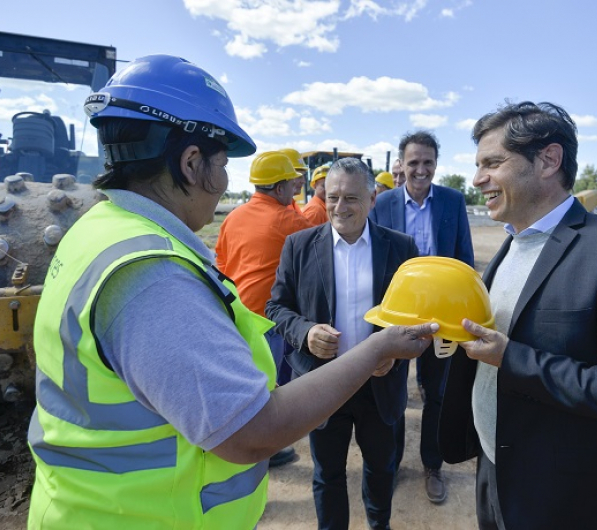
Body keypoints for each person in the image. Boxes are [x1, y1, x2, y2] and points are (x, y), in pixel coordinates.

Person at [26, 54, 437, 530]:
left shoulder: (99, 230)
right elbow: (252, 430)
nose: (223, 184)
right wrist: (375, 348)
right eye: (222, 164)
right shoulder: (151, 274)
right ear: (191, 163)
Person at [438, 101, 597, 529]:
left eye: (492, 163)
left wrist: (511, 357)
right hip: (494, 471)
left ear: (548, 160)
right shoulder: (512, 243)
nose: (478, 179)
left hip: (566, 496)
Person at [266, 158, 419, 530]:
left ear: (371, 198)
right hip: (324, 384)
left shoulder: (401, 248)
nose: (339, 207)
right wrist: (305, 332)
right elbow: (276, 307)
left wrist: (394, 356)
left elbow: (415, 316)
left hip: (379, 383)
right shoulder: (299, 246)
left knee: (381, 467)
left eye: (351, 198)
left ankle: (378, 524)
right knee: (328, 471)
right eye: (332, 197)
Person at [369, 130, 474, 504]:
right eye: (413, 162)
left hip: (441, 319)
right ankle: (393, 462)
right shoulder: (384, 204)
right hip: (398, 316)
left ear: (436, 164)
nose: (420, 169)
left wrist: (460, 320)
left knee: (438, 394)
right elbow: (376, 261)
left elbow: (464, 259)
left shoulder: (452, 201)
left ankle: (433, 464)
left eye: (428, 162)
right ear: (401, 164)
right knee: (393, 391)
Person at [215, 150, 314, 466]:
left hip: (235, 314)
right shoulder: (289, 220)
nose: (295, 188)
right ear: (280, 186)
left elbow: (222, 263)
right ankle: (261, 453)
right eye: (292, 183)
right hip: (267, 321)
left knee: (241, 387)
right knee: (264, 395)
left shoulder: (234, 217)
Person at [279, 147, 308, 214]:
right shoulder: (282, 210)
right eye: (299, 176)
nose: (303, 181)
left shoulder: (291, 204)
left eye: (303, 176)